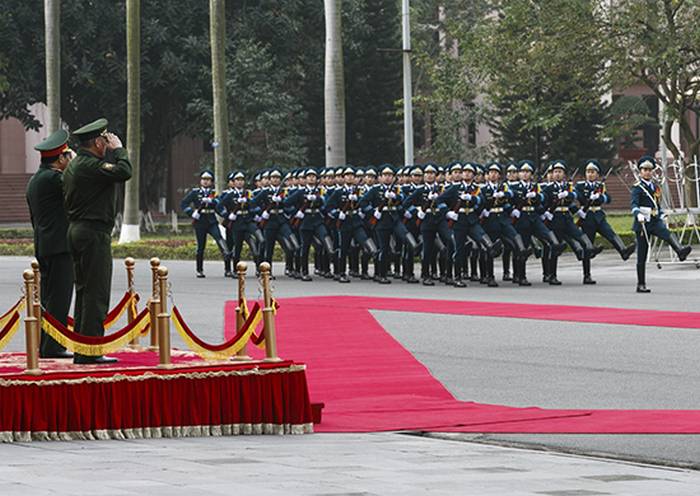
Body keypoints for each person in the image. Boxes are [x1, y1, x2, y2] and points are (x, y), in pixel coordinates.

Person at [63, 118, 132, 364]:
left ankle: (84, 348)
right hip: (93, 233)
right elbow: (125, 172)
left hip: (79, 230)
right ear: (96, 142)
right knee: (96, 293)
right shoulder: (90, 165)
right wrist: (119, 150)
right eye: (105, 140)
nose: (107, 143)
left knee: (84, 292)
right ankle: (90, 351)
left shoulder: (75, 165)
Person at [26, 129, 74, 359]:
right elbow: (76, 185)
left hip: (44, 245)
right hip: (59, 246)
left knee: (49, 297)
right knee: (59, 297)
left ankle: (46, 345)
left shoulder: (35, 180)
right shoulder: (54, 178)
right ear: (60, 158)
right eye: (67, 157)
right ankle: (53, 346)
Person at [631, 156, 692, 293]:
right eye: (644, 170)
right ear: (640, 171)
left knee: (666, 233)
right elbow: (634, 204)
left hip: (654, 220)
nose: (647, 172)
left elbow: (656, 204)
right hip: (642, 223)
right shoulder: (637, 187)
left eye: (649, 170)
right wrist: (637, 214)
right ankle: (641, 284)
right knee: (642, 253)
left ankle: (680, 250)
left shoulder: (655, 187)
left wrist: (662, 213)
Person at [574, 160, 636, 283]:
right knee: (588, 245)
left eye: (593, 172)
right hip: (587, 218)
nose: (590, 174)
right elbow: (576, 195)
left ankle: (623, 250)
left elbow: (608, 198)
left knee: (610, 233)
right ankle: (587, 275)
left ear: (597, 174)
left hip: (599, 215)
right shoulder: (580, 185)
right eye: (588, 172)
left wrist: (600, 197)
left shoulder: (600, 186)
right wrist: (586, 198)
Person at [180, 170, 231, 278]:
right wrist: (191, 212)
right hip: (200, 222)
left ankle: (227, 269)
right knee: (201, 247)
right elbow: (184, 203)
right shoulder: (195, 192)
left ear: (211, 182)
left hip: (212, 221)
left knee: (221, 241)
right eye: (203, 179)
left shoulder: (214, 193)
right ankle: (199, 270)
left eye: (208, 180)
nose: (205, 182)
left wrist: (224, 213)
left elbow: (219, 206)